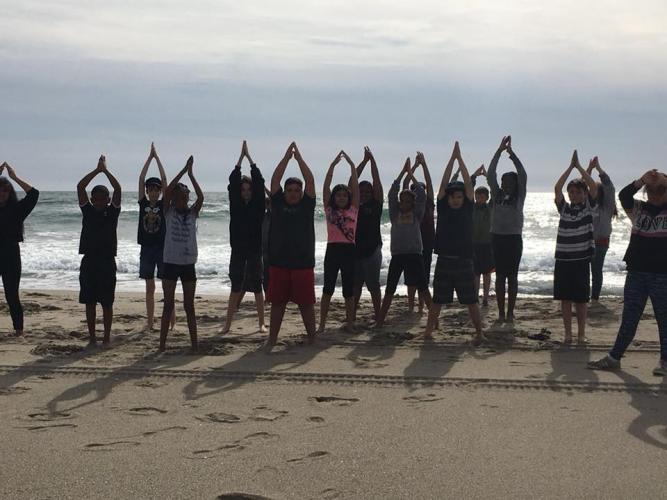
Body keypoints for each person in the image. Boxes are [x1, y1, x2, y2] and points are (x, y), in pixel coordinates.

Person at [588, 169, 667, 375]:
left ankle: (665, 362)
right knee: (629, 317)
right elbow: (623, 196)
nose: (655, 193)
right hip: (636, 272)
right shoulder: (638, 209)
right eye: (651, 189)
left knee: (664, 319)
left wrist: (664, 180)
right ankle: (614, 357)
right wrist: (642, 180)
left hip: (662, 274)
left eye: (661, 189)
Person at [425, 142, 484, 344]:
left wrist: (461, 159)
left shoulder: (468, 207)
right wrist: (452, 159)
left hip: (464, 261)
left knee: (471, 301)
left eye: (459, 196)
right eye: (453, 197)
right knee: (437, 301)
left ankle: (479, 332)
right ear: (448, 199)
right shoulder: (443, 207)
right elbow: (442, 186)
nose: (456, 199)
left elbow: (468, 184)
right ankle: (427, 333)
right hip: (444, 260)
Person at [266, 142, 317, 348]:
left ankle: (313, 338)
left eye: (297, 190)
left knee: (306, 304)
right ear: (284, 192)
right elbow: (275, 179)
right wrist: (287, 158)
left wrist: (300, 159)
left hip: (303, 263)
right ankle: (272, 340)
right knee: (278, 304)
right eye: (290, 190)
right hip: (279, 262)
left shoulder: (307, 205)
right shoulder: (278, 204)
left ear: (302, 192)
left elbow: (310, 180)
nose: (293, 193)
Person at [376, 157, 431, 328]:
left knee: (423, 287)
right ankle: (380, 320)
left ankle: (433, 320)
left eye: (409, 201)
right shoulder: (394, 214)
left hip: (415, 255)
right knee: (390, 289)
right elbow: (392, 193)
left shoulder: (417, 214)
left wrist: (412, 174)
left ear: (413, 203)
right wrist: (403, 172)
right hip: (398, 255)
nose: (405, 203)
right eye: (403, 201)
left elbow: (422, 195)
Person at [222, 140, 267, 334]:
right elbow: (233, 181)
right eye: (243, 189)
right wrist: (240, 160)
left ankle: (261, 324)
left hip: (255, 249)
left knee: (257, 286)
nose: (246, 192)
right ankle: (227, 324)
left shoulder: (258, 205)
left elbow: (260, 182)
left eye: (249, 189)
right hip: (238, 249)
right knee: (236, 285)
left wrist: (251, 161)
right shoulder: (236, 204)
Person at [159, 156, 204, 352]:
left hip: (188, 263)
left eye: (184, 197)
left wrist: (191, 175)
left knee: (189, 306)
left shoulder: (192, 213)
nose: (181, 200)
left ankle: (194, 344)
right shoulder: (168, 212)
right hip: (170, 262)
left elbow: (201, 197)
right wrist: (183, 171)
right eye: (178, 197)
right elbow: (167, 191)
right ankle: (161, 345)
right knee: (168, 305)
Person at [76, 155, 122, 347]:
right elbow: (80, 187)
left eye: (103, 199)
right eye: (96, 199)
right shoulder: (87, 210)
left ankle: (106, 337)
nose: (99, 202)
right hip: (89, 261)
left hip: (107, 261)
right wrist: (96, 171)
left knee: (107, 302)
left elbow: (118, 189)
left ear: (108, 200)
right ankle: (93, 337)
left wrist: (105, 171)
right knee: (89, 301)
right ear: (92, 199)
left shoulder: (112, 212)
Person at [553, 150, 598, 344]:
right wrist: (570, 167)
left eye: (577, 192)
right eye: (571, 192)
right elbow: (557, 189)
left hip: (581, 260)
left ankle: (580, 334)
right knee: (565, 299)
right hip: (563, 260)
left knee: (581, 300)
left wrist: (580, 167)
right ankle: (568, 334)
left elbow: (594, 187)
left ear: (584, 194)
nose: (573, 195)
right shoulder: (564, 208)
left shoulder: (588, 207)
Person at [317, 150, 360, 333]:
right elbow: (325, 187)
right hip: (333, 250)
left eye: (344, 195)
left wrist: (352, 166)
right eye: (338, 195)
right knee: (328, 288)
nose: (341, 198)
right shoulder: (329, 210)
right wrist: (332, 166)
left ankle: (350, 323)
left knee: (348, 290)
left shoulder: (353, 210)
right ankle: (322, 324)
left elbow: (356, 188)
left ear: (348, 198)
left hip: (349, 250)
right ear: (334, 198)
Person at [487, 135, 527, 323]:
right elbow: (490, 174)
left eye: (508, 182)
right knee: (500, 277)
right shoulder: (496, 196)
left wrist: (511, 154)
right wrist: (498, 151)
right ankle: (501, 312)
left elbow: (523, 174)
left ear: (515, 184)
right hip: (496, 238)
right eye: (503, 182)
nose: (504, 184)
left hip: (513, 240)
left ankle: (510, 312)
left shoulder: (519, 198)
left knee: (512, 277)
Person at [137, 142, 174, 332]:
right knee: (149, 287)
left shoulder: (163, 206)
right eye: (150, 189)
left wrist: (157, 158)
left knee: (167, 285)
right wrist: (148, 158)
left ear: (159, 192)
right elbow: (142, 177)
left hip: (162, 248)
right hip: (146, 249)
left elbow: (165, 179)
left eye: (156, 189)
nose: (153, 192)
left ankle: (171, 321)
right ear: (146, 191)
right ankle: (151, 322)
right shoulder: (142, 203)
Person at [0, 162, 39, 337]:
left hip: (10, 256)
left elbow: (34, 194)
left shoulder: (17, 210)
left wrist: (14, 178)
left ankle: (19, 329)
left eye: (5, 191)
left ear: (9, 193)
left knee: (11, 294)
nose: (1, 194)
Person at [352, 147, 383, 321]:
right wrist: (363, 162)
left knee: (373, 286)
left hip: (372, 251)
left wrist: (372, 162)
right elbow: (352, 181)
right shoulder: (353, 205)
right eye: (361, 192)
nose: (363, 195)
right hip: (355, 251)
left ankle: (379, 316)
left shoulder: (376, 205)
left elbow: (377, 181)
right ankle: (353, 315)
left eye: (367, 192)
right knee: (356, 285)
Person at [403, 151, 435, 314]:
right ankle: (410, 306)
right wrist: (412, 168)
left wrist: (424, 165)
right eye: (415, 189)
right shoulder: (408, 207)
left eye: (422, 189)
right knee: (410, 279)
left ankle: (422, 306)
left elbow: (429, 182)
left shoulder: (429, 203)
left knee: (424, 277)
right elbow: (405, 185)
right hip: (410, 246)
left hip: (427, 245)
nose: (419, 191)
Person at [586, 156, 617, 303]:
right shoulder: (586, 205)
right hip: (585, 243)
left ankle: (595, 298)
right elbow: (581, 184)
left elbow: (609, 186)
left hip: (601, 243)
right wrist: (589, 169)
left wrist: (598, 168)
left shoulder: (607, 206)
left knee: (596, 271)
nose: (592, 191)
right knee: (583, 272)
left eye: (594, 189)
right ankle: (583, 296)